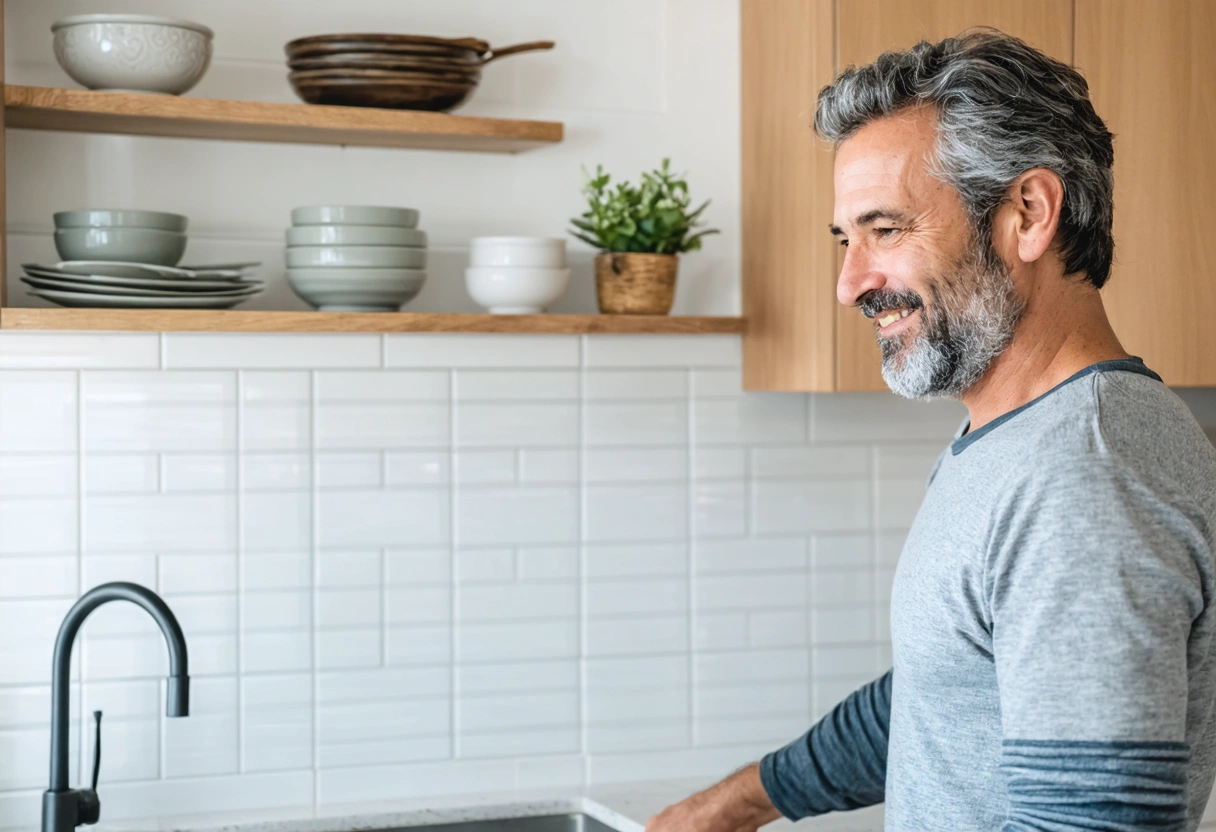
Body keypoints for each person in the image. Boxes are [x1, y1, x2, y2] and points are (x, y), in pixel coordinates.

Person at [647, 29, 1216, 832]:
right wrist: (733, 805)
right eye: (848, 240)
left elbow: (1095, 823)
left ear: (1027, 214)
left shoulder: (1086, 476)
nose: (851, 285)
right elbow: (941, 692)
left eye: (886, 230)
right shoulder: (1018, 438)